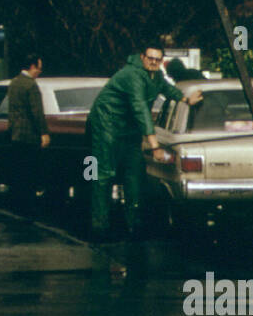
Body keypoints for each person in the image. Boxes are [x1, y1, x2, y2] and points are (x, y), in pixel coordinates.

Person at [87, 43, 203, 239]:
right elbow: (141, 109)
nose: (153, 62)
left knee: (135, 172)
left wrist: (184, 99)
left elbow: (167, 89)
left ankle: (134, 223)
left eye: (158, 60)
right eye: (150, 58)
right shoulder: (132, 75)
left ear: (161, 61)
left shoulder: (155, 75)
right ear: (142, 57)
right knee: (104, 173)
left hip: (129, 128)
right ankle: (99, 225)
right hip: (106, 124)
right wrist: (154, 145)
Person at [7, 50, 50, 211]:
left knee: (18, 172)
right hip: (29, 135)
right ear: (32, 66)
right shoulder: (31, 85)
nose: (40, 71)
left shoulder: (14, 83)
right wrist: (44, 133)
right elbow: (36, 112)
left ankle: (17, 205)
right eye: (39, 68)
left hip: (16, 134)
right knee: (31, 172)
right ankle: (29, 207)